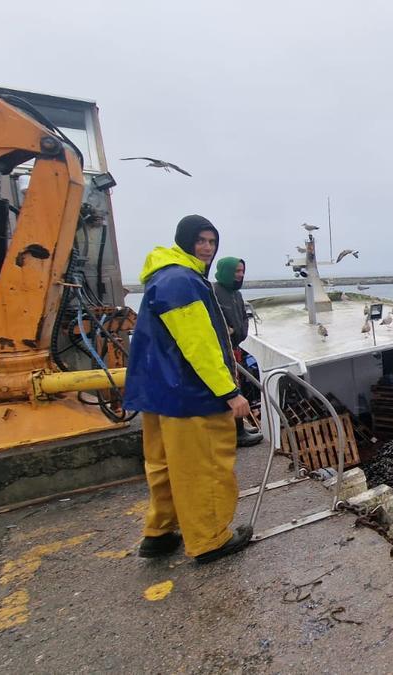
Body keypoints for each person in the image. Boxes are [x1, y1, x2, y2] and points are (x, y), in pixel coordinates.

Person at [124, 215, 252, 563]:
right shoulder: (182, 281)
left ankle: (160, 532)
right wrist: (229, 392)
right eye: (200, 241)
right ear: (185, 241)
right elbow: (199, 345)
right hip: (189, 394)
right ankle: (210, 540)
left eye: (212, 242)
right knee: (204, 467)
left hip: (158, 392)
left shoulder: (162, 275)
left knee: (163, 464)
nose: (207, 248)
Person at [212, 256, 262, 447]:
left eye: (242, 271)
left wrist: (240, 331)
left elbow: (243, 317)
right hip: (221, 350)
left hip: (234, 348)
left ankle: (239, 428)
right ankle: (237, 433)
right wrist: (228, 331)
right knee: (230, 390)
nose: (240, 275)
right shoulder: (213, 292)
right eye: (236, 271)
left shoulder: (236, 294)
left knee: (237, 386)